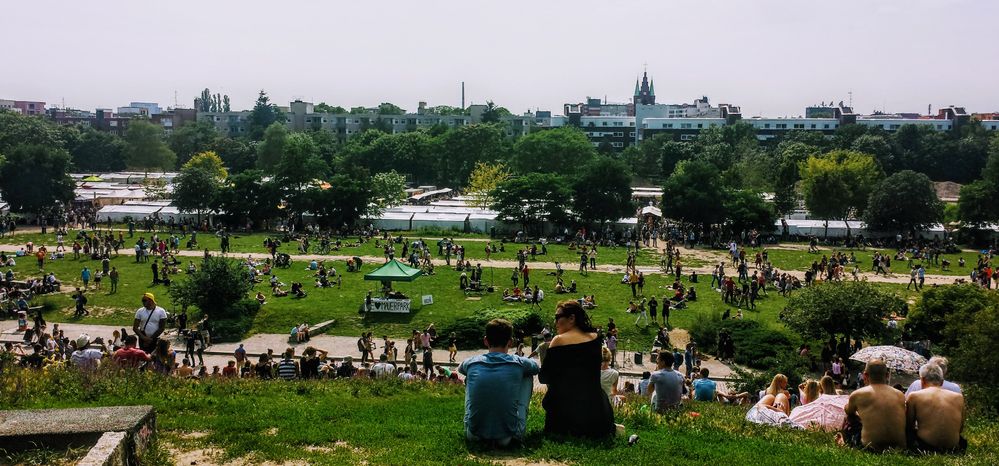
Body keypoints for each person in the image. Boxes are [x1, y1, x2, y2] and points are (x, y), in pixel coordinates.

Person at [538, 300, 615, 438]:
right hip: (598, 414)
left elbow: (544, 377)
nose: (555, 322)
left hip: (566, 416)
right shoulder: (595, 338)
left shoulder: (559, 340)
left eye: (557, 317)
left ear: (571, 318)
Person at [458, 318, 540, 446]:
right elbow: (535, 368)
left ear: (486, 340)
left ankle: (475, 423)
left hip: (473, 434)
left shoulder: (472, 361)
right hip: (507, 436)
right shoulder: (518, 362)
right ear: (510, 342)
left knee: (470, 376)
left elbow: (461, 369)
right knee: (527, 374)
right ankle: (517, 430)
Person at [841, 359, 906, 451]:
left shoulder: (858, 394)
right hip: (898, 448)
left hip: (871, 447)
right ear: (887, 375)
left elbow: (848, 411)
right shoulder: (900, 394)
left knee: (849, 418)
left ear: (865, 375)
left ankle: (847, 442)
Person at [906, 363, 966, 453]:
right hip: (953, 448)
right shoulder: (958, 397)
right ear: (942, 381)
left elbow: (908, 426)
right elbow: (960, 428)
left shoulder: (914, 396)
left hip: (926, 447)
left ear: (922, 380)